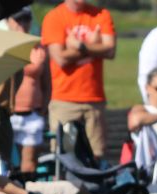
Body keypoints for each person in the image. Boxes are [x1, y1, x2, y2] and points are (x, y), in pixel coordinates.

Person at [41, 0, 117, 159]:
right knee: (63, 154)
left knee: (97, 154)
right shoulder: (54, 17)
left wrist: (80, 46)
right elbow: (60, 58)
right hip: (64, 99)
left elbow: (110, 50)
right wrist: (94, 46)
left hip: (94, 99)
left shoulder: (101, 14)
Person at [6, 8, 51, 173]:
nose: (22, 24)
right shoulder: (4, 46)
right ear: (9, 22)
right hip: (8, 115)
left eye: (26, 19)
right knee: (6, 163)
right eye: (18, 20)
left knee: (29, 164)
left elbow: (47, 83)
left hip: (32, 113)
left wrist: (43, 109)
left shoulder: (38, 48)